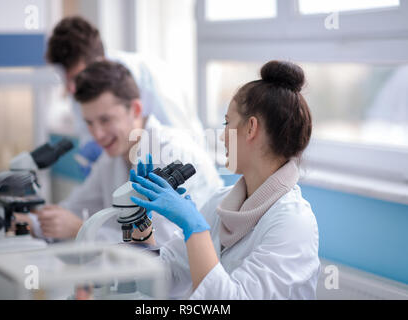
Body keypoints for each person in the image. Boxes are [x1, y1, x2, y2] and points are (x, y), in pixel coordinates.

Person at [129, 61, 320, 299]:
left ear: (251, 128)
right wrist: (141, 224)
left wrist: (194, 229)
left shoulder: (293, 223)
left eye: (227, 123)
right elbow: (160, 283)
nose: (222, 136)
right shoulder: (222, 203)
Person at [31, 60, 223, 245]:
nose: (97, 134)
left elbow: (159, 246)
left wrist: (81, 229)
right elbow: (74, 208)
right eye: (89, 123)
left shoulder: (170, 154)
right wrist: (30, 222)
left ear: (136, 110)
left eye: (105, 120)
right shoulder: (112, 158)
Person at [46, 16, 205, 175]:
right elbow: (89, 134)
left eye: (76, 77)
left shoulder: (151, 76)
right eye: (67, 80)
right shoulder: (81, 87)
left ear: (100, 59)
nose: (72, 88)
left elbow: (184, 145)